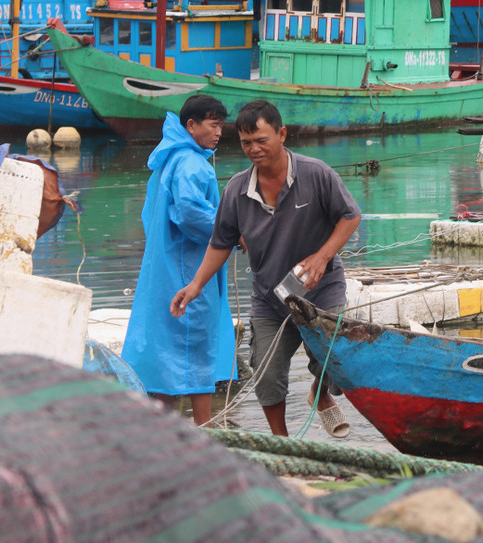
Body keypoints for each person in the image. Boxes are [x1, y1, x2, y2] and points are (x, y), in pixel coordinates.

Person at [171, 99, 362, 438]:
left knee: (334, 359)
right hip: (270, 296)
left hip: (322, 287)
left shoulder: (316, 173)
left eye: (261, 140)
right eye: (246, 143)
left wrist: (322, 256)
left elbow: (350, 216)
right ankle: (281, 442)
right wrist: (195, 285)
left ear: (282, 134)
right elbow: (220, 242)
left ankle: (321, 398)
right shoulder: (236, 190)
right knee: (267, 373)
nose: (254, 149)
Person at [121, 94, 234, 426]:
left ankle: (165, 430)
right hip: (190, 267)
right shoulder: (192, 163)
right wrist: (230, 232)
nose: (219, 133)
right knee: (195, 343)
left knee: (164, 347)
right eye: (214, 125)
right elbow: (189, 212)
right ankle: (206, 428)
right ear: (192, 125)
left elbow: (150, 214)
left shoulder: (169, 159)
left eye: (221, 125)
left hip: (163, 265)